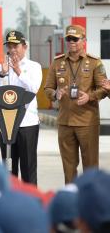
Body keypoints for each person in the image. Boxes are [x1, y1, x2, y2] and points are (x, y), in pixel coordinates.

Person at [44, 25, 108, 184]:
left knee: (90, 167)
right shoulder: (57, 63)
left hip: (87, 122)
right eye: (68, 39)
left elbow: (105, 89)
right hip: (65, 122)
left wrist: (90, 96)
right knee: (69, 168)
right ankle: (72, 202)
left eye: (75, 39)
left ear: (84, 41)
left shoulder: (95, 63)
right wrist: (55, 94)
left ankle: (90, 203)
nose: (71, 42)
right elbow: (48, 88)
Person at [0, 30, 42, 185]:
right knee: (8, 168)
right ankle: (9, 200)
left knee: (28, 167)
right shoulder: (1, 68)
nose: (12, 50)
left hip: (27, 124)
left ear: (25, 47)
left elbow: (33, 89)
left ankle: (30, 202)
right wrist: (2, 74)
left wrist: (19, 71)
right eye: (9, 46)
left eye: (15, 46)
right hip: (6, 124)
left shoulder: (34, 67)